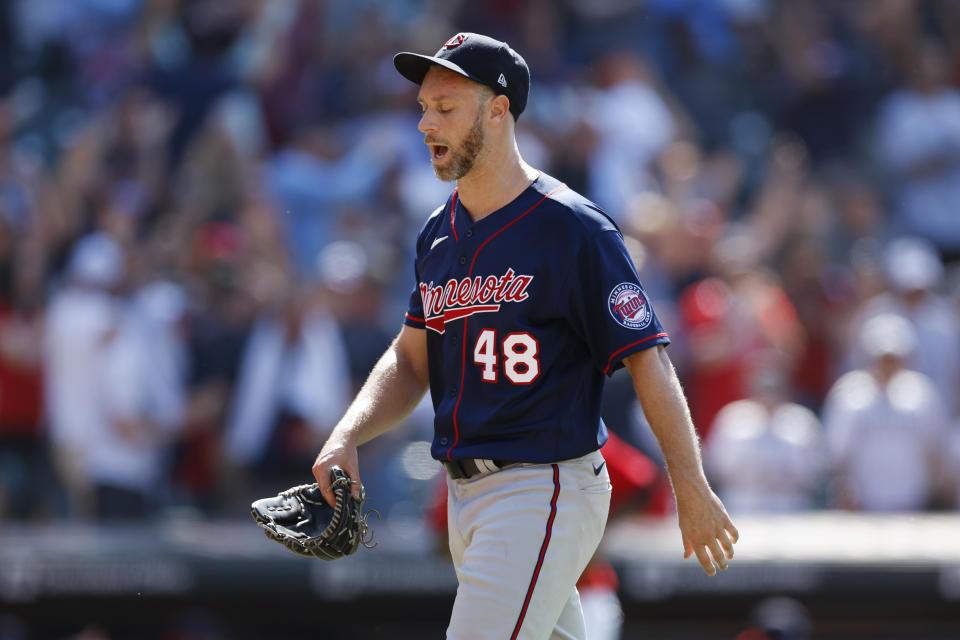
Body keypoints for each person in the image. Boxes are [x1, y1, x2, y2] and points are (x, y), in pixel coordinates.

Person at [311, 32, 738, 640]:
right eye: (423, 107)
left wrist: (691, 485)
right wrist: (348, 434)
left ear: (497, 108)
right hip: (468, 498)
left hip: (543, 487)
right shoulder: (437, 234)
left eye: (446, 107)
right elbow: (410, 362)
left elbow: (648, 361)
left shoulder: (575, 229)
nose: (426, 123)